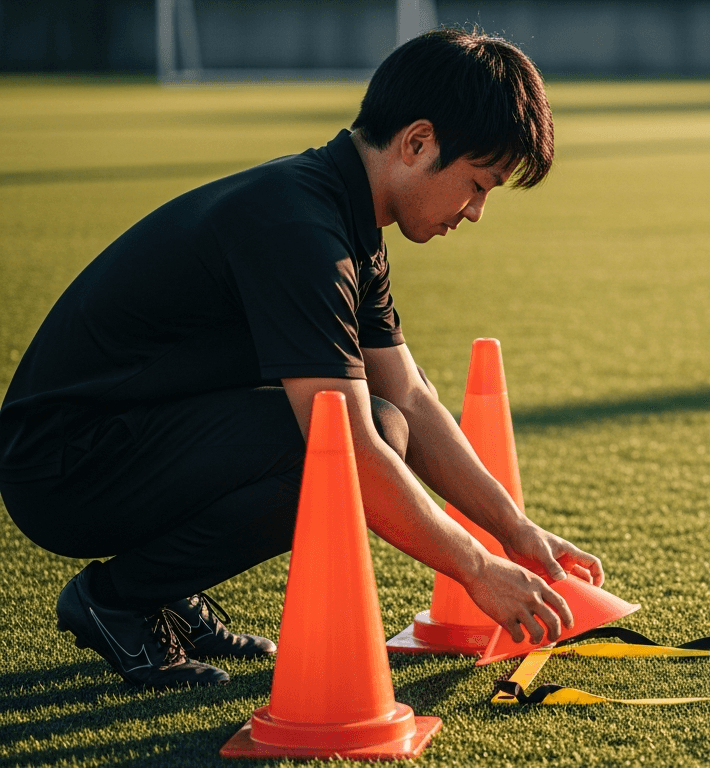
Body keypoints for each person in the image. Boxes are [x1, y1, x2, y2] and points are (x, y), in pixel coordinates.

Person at [0, 28, 601, 688]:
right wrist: (477, 569)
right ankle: (118, 597)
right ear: (418, 143)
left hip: (119, 437)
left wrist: (515, 532)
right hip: (64, 467)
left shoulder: (346, 218)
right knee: (339, 443)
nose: (478, 211)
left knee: (382, 422)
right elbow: (348, 445)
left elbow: (409, 397)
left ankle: (163, 587)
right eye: (478, 184)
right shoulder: (302, 231)